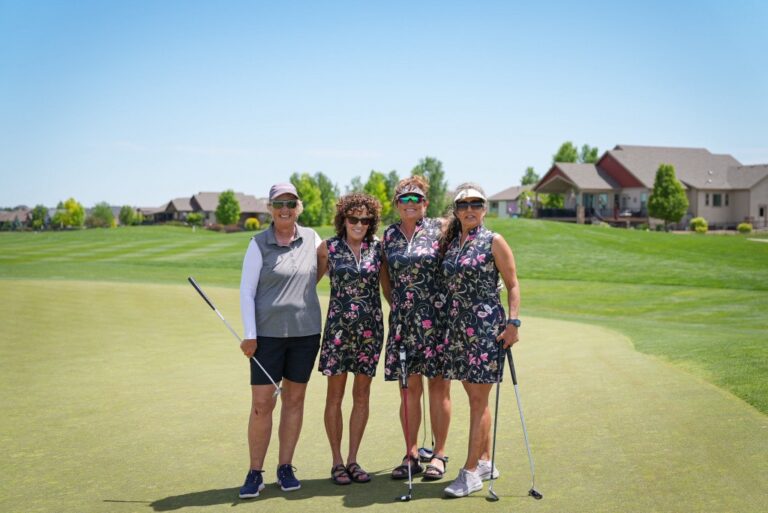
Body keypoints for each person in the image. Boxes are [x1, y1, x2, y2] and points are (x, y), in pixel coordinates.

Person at [237, 183, 327, 499]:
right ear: (270, 208)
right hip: (267, 338)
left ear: (298, 206)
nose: (285, 209)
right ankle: (254, 472)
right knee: (262, 405)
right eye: (279, 204)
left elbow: (320, 270)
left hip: (305, 334)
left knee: (294, 400)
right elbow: (247, 291)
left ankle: (285, 467)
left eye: (290, 203)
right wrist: (250, 335)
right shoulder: (258, 244)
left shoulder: (313, 239)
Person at [438, 183, 521, 498]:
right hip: (457, 330)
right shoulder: (453, 241)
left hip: (486, 329)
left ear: (485, 208)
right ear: (457, 211)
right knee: (474, 398)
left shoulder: (493, 241)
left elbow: (513, 285)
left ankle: (470, 472)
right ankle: (485, 461)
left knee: (477, 401)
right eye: (463, 205)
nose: (469, 210)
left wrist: (513, 323)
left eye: (476, 204)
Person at [380, 176, 451, 481]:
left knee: (438, 387)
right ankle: (411, 454)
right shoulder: (389, 236)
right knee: (408, 389)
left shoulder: (441, 229)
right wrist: (399, 306)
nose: (410, 204)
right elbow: (386, 280)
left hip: (436, 321)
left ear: (425, 203)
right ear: (396, 205)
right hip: (403, 323)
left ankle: (439, 454)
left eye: (416, 199)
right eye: (404, 200)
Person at [316, 193, 384, 485]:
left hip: (371, 333)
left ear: (371, 223)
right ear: (343, 220)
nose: (359, 224)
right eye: (353, 218)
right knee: (335, 396)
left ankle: (354, 459)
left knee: (362, 395)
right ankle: (337, 462)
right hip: (337, 332)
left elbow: (390, 289)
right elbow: (307, 287)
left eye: (365, 220)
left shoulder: (378, 249)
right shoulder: (328, 248)